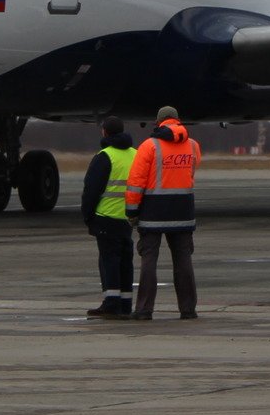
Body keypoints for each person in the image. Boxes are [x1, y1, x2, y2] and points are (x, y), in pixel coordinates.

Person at [125, 105, 201, 320]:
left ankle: (144, 309)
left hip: (153, 211)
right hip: (183, 210)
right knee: (183, 260)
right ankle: (188, 309)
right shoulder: (193, 146)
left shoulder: (149, 146)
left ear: (159, 122)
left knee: (149, 260)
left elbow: (136, 183)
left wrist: (132, 212)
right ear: (178, 121)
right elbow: (191, 172)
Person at [77, 117, 136, 318]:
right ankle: (126, 304)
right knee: (126, 262)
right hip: (128, 217)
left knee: (109, 261)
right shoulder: (135, 155)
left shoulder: (105, 156)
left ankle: (111, 303)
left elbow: (92, 189)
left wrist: (87, 216)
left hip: (106, 216)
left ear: (105, 132)